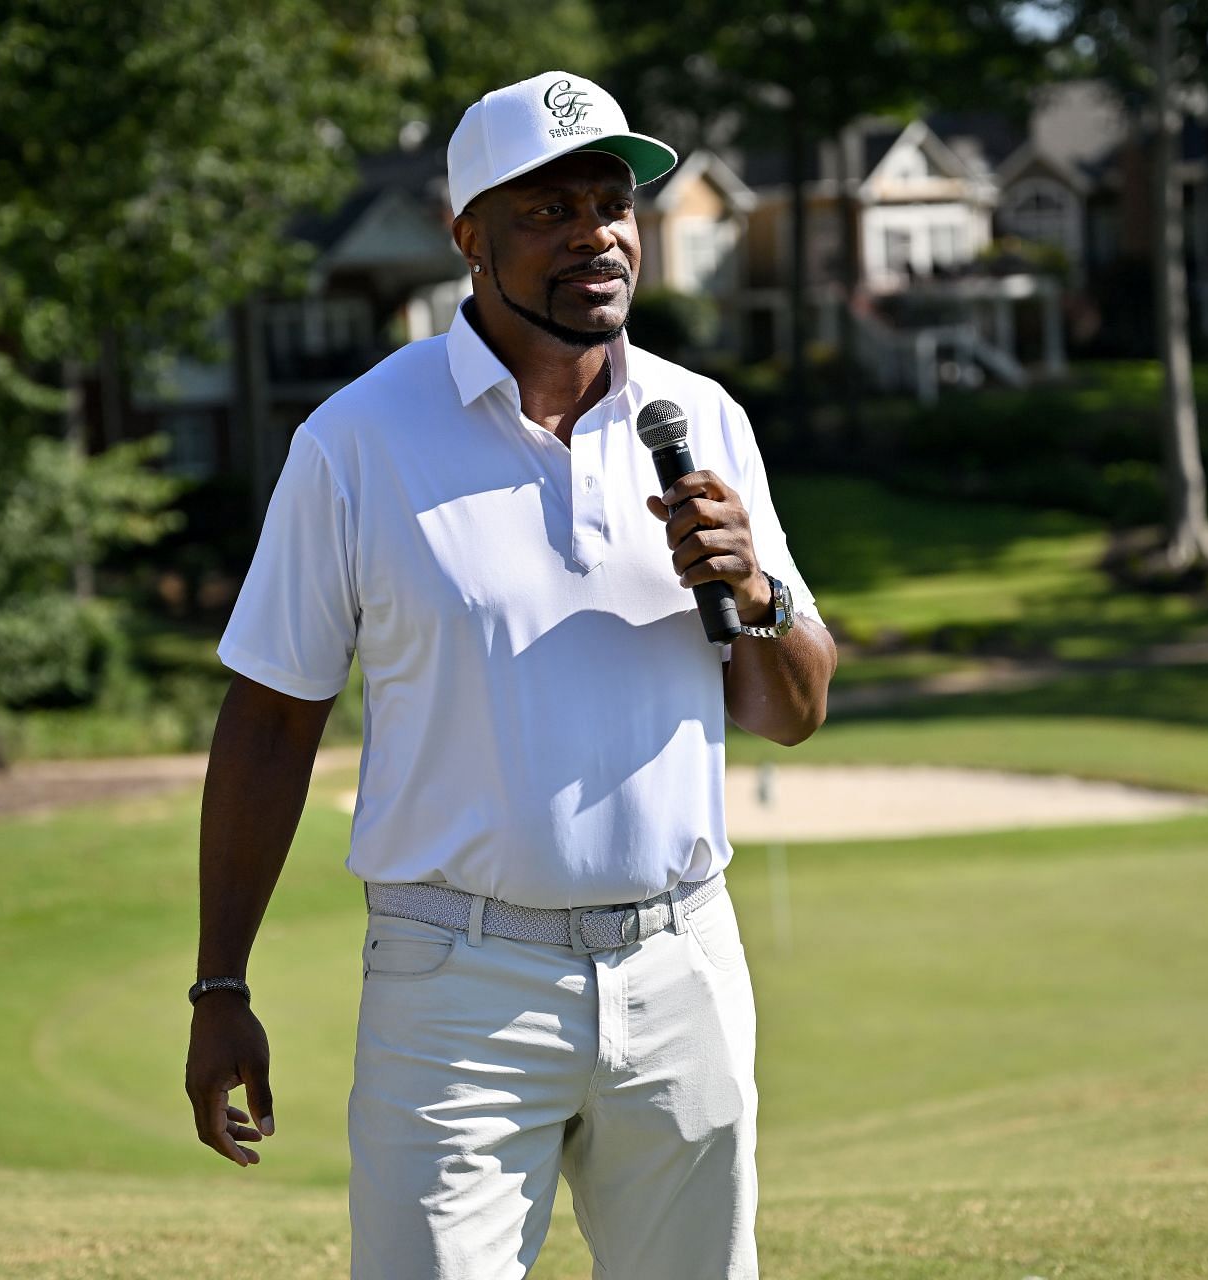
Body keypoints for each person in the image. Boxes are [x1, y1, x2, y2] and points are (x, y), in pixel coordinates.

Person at [184, 69, 836, 1279]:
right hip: (456, 988)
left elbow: (792, 708)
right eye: (547, 212)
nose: (595, 235)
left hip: (681, 964)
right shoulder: (356, 442)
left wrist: (759, 593)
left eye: (612, 203)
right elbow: (271, 721)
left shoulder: (704, 418)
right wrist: (221, 980)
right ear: (466, 236)